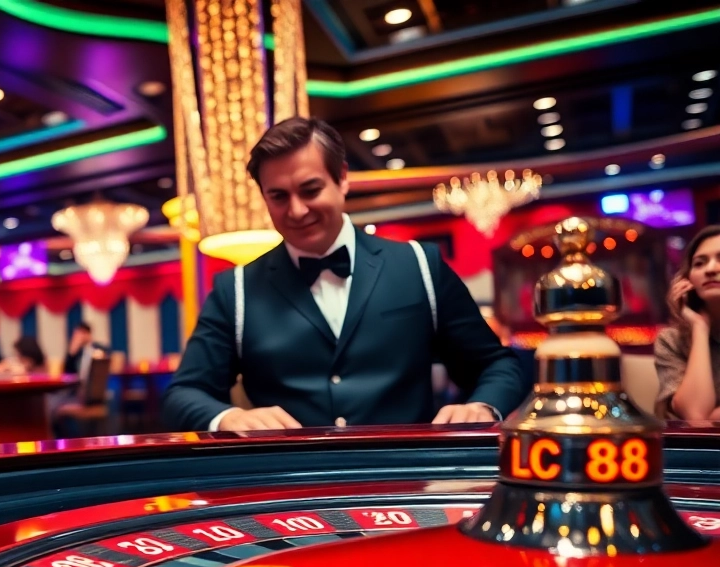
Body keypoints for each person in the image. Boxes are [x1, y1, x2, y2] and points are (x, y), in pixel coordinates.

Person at [164, 116, 525, 432]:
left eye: (311, 189)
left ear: (342, 179)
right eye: (278, 196)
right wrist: (227, 417)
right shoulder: (236, 289)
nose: (297, 209)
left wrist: (481, 407)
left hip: (406, 481)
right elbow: (184, 393)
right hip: (290, 490)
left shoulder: (419, 264)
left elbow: (496, 364)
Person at [654, 225, 720, 421]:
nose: (710, 269)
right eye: (699, 263)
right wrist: (699, 327)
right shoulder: (671, 341)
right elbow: (695, 416)